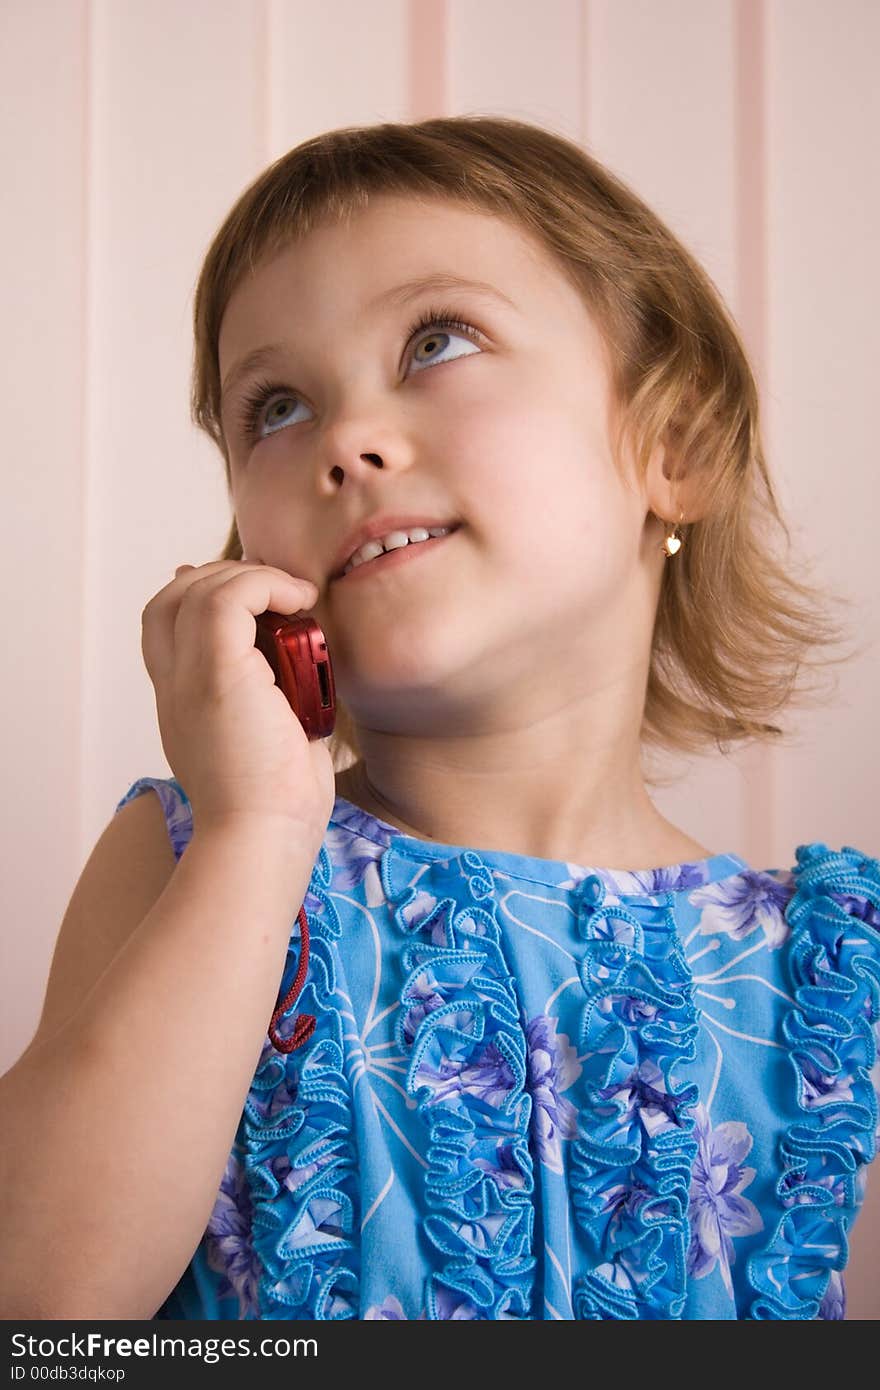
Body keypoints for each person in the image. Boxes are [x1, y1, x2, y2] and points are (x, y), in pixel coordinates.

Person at [1, 115, 878, 1322]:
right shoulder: (191, 860)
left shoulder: (833, 982)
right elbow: (41, 1300)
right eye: (275, 409)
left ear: (673, 442)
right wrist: (259, 825)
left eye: (436, 340)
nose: (347, 444)